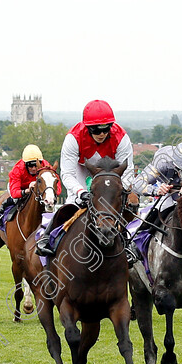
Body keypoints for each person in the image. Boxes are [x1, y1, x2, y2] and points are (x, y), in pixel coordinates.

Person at [36, 99, 134, 256]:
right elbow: (67, 174)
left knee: (119, 205)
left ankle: (130, 245)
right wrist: (81, 192)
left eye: (106, 129)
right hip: (82, 169)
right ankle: (47, 237)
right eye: (96, 130)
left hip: (110, 173)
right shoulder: (73, 138)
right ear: (87, 127)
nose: (101, 134)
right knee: (72, 204)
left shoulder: (122, 138)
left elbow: (127, 172)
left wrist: (120, 191)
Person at [0, 144, 57, 226]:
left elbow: (57, 186)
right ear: (25, 164)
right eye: (30, 165)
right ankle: (0, 211)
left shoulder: (46, 166)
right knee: (16, 199)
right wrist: (26, 191)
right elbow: (15, 193)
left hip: (38, 189)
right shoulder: (17, 170)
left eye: (36, 165)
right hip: (20, 188)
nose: (34, 168)